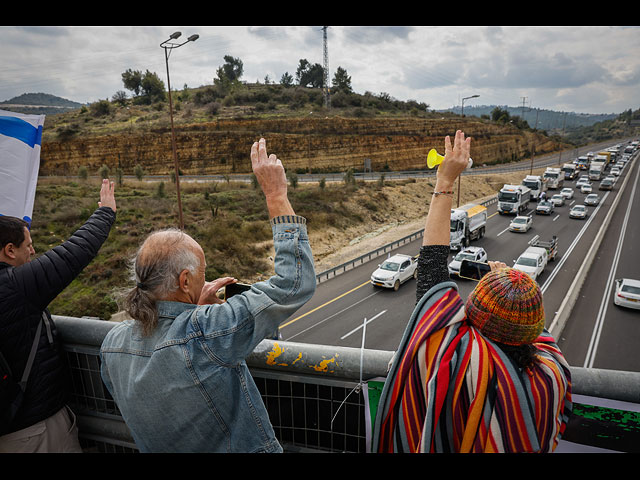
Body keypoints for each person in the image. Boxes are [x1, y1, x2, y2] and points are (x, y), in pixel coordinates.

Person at [100, 138, 316, 453]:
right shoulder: (206, 333)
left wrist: (191, 312)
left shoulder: (112, 346)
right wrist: (276, 195)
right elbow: (293, 284)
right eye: (203, 271)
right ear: (184, 280)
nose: (206, 278)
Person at [372, 131, 572, 453]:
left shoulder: (452, 357)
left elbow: (432, 270)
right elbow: (537, 331)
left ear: (474, 311)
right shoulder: (552, 374)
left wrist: (445, 181)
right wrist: (512, 288)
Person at [0, 179, 117, 453]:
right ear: (9, 250)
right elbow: (72, 254)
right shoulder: (14, 287)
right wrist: (106, 212)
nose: (33, 251)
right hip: (34, 432)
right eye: (28, 245)